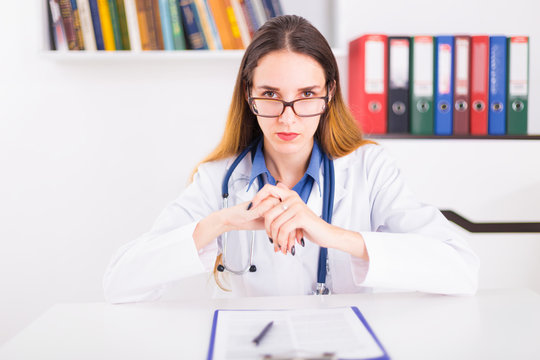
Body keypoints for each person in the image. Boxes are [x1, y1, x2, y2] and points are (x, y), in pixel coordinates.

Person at [103, 15, 479, 303]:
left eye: (307, 93)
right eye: (269, 93)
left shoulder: (370, 170)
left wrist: (332, 234)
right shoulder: (217, 180)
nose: (287, 117)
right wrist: (221, 222)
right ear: (249, 95)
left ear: (329, 93)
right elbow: (119, 283)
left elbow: (462, 272)